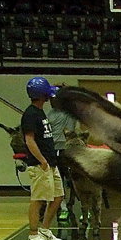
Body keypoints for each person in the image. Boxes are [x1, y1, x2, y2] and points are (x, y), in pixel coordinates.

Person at [21, 76, 64, 240]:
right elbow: (29, 140)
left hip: (50, 163)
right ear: (41, 95)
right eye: (47, 93)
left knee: (58, 197)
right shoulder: (30, 114)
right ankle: (33, 235)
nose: (49, 96)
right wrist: (42, 160)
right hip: (40, 164)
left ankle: (44, 230)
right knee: (38, 199)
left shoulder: (40, 112)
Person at [48, 86, 79, 221]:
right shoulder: (50, 114)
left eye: (54, 98)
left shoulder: (70, 112)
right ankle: (63, 206)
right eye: (50, 99)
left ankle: (83, 205)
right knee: (58, 179)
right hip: (54, 149)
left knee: (74, 179)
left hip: (67, 149)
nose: (52, 101)